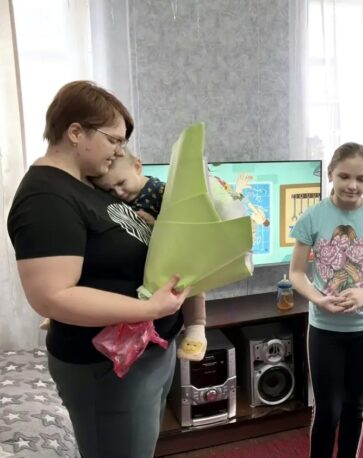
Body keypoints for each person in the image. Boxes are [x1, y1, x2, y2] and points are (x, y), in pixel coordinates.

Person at [7, 80, 192, 457]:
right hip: (106, 367)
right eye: (114, 140)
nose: (120, 151)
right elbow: (52, 297)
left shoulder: (88, 184)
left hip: (146, 352)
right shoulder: (46, 197)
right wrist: (148, 308)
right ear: (76, 132)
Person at [289, 142, 363, 458]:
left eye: (361, 179)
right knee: (327, 410)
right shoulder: (312, 217)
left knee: (354, 406)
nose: (352, 185)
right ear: (331, 174)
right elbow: (296, 273)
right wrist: (318, 299)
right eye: (344, 176)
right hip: (325, 328)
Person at [90, 151, 208, 361]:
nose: (118, 192)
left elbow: (184, 227)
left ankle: (196, 329)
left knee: (190, 284)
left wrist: (154, 224)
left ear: (137, 166)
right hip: (143, 264)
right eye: (110, 189)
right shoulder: (114, 199)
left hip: (173, 257)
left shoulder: (163, 192)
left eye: (121, 183)